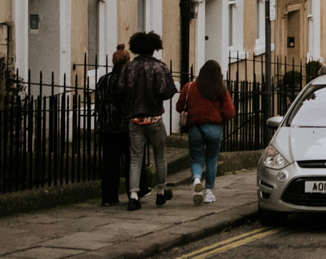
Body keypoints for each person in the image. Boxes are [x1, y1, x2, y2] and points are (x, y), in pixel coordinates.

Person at [120, 31, 177, 211]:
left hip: (135, 119)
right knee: (160, 156)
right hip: (154, 119)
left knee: (136, 159)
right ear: (154, 48)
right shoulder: (159, 67)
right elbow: (168, 91)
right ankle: (161, 192)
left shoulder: (128, 68)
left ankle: (134, 196)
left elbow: (120, 90)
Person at [177, 61, 235, 205]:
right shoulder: (221, 90)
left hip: (196, 129)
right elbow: (230, 112)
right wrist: (218, 117)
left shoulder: (189, 87)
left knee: (196, 159)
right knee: (211, 160)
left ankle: (196, 179)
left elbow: (179, 106)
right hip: (214, 129)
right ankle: (209, 192)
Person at [95, 45, 131, 206]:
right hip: (124, 127)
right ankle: (133, 193)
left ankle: (108, 197)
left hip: (106, 127)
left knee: (109, 164)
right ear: (127, 61)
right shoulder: (128, 80)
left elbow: (98, 104)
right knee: (131, 162)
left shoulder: (103, 80)